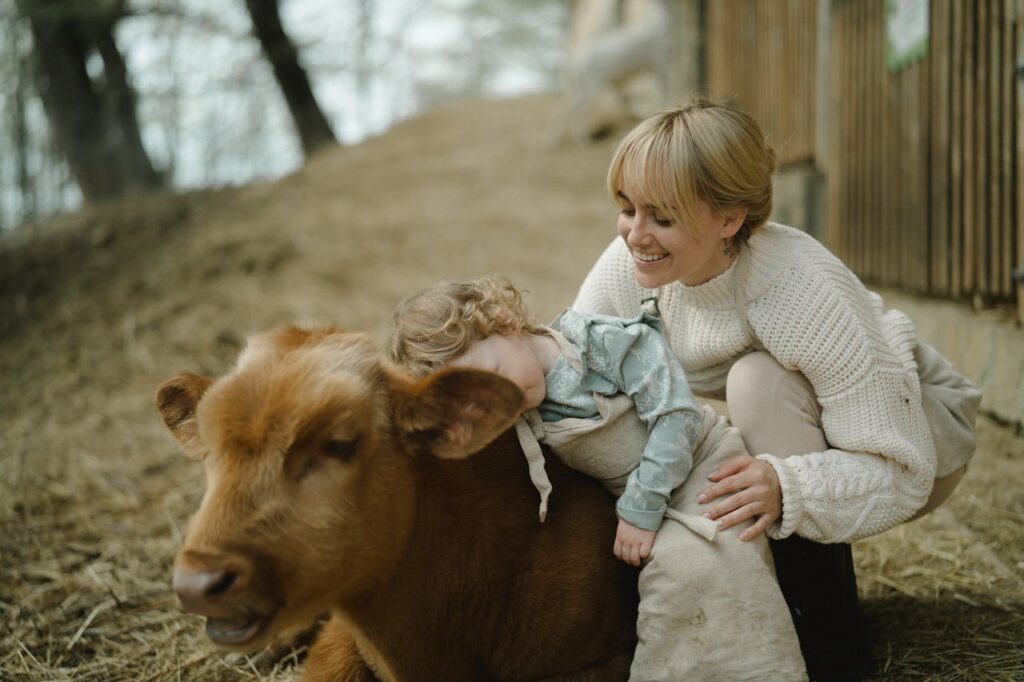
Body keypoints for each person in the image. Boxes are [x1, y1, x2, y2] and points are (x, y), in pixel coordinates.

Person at [572, 95, 981, 680]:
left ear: (728, 220)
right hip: (811, 421)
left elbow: (901, 469)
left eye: (662, 217)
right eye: (626, 207)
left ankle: (830, 647)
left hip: (914, 431)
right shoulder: (634, 263)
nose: (635, 234)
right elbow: (576, 360)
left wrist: (787, 487)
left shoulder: (797, 289)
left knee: (757, 383)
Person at [389, 276, 809, 681]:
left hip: (703, 466)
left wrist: (641, 509)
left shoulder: (599, 344)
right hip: (639, 498)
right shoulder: (523, 409)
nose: (500, 401)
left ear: (503, 320)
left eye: (495, 377)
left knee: (687, 565)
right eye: (476, 404)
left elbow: (676, 417)